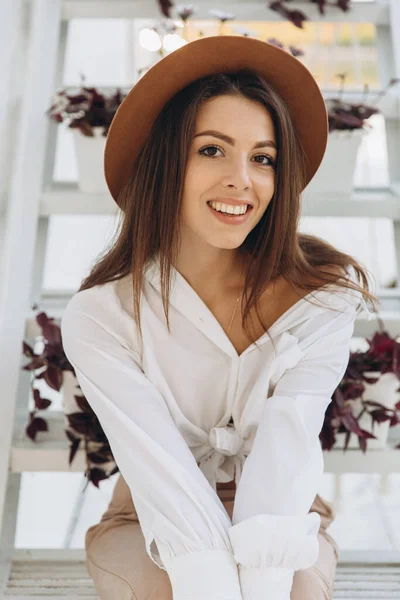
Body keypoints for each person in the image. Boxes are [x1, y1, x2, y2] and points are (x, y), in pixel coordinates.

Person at [61, 35, 378, 600]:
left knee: (292, 592)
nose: (242, 179)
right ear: (166, 162)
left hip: (287, 514)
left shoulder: (321, 299)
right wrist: (209, 581)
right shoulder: (102, 316)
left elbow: (288, 441)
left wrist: (262, 577)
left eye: (263, 158)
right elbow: (159, 470)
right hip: (149, 518)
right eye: (212, 150)